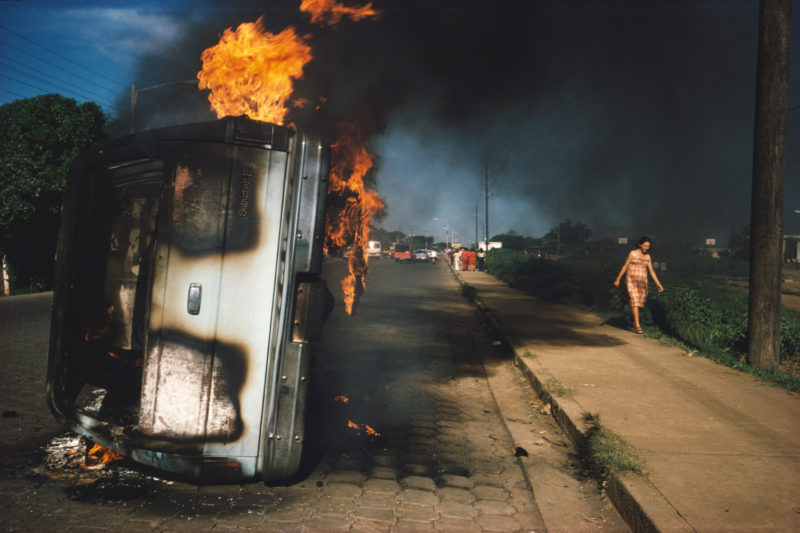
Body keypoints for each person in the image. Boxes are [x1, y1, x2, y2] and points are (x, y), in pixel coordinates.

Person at [613, 236, 664, 334]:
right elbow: (625, 266)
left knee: (639, 304)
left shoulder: (647, 257)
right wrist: (618, 279)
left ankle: (635, 320)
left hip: (642, 283)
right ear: (640, 244)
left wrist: (658, 284)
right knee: (635, 302)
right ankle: (637, 326)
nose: (646, 248)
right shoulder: (633, 253)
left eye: (648, 246)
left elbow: (652, 271)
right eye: (645, 246)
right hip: (631, 281)